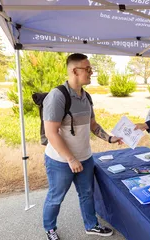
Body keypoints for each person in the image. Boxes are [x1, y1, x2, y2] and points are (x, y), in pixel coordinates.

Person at [42, 53, 122, 240]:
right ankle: (50, 228)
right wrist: (71, 159)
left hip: (85, 158)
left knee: (87, 193)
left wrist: (110, 139)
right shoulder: (57, 96)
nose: (91, 72)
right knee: (56, 196)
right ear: (74, 71)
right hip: (60, 160)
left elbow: (93, 125)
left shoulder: (87, 97)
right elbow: (51, 133)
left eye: (90, 69)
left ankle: (91, 225)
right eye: (88, 69)